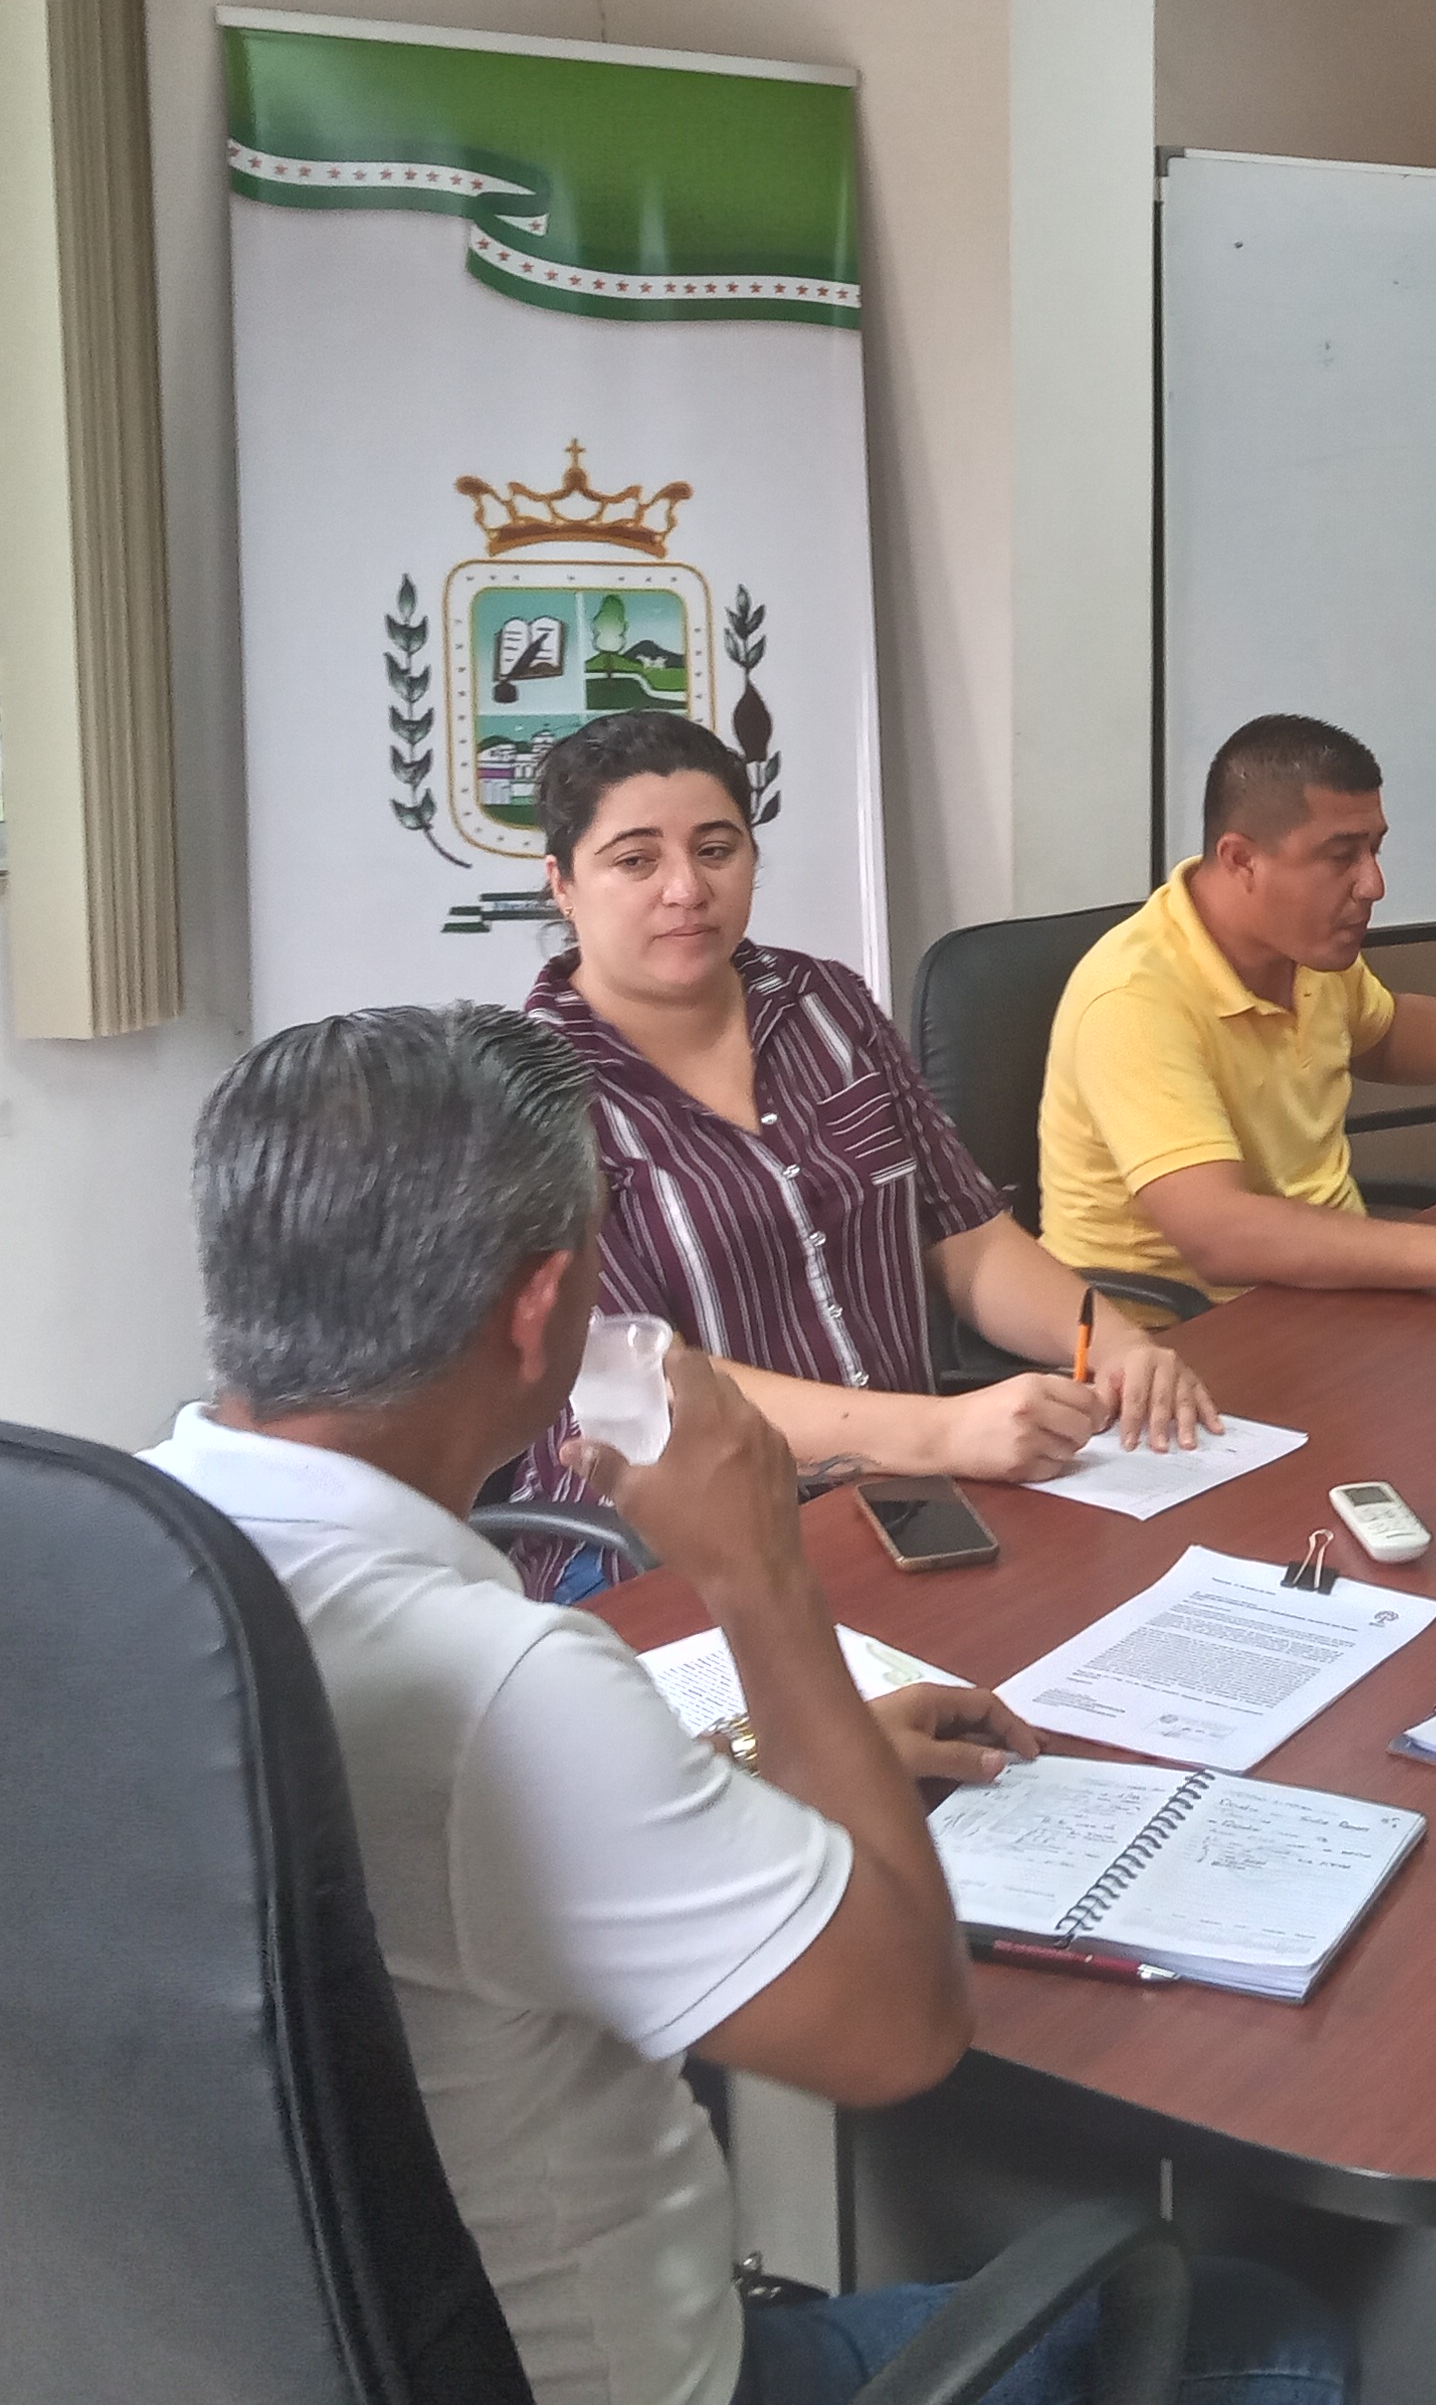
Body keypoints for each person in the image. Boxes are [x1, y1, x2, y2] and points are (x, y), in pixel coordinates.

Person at [147, 1004, 1350, 2405]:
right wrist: (761, 1572)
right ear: (540, 1308)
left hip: (202, 2349)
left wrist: (749, 1767)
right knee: (1266, 2335)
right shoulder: (503, 1688)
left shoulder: (95, 1563)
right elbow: (899, 2029)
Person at [502, 714, 1217, 1597]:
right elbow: (643, 1381)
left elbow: (967, 1237)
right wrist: (942, 1434)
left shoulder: (823, 1003)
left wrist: (1116, 1344)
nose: (686, 888)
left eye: (716, 850)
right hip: (664, 1546)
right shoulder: (529, 1092)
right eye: (636, 860)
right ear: (563, 884)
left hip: (904, 1498)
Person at [1041, 715, 1436, 1302]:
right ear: (1241, 860)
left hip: (1317, 1294)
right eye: (1340, 856)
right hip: (1177, 1331)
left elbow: (1388, 1038)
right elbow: (1218, 1236)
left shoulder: (1307, 952)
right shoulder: (1134, 999)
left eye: (1374, 849)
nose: (1373, 884)